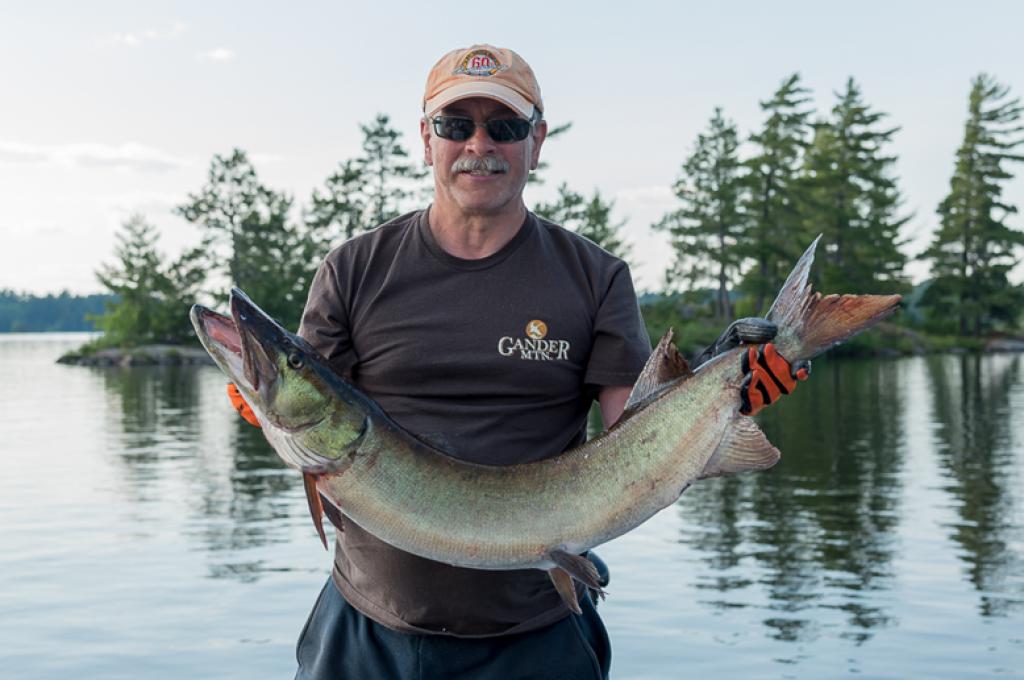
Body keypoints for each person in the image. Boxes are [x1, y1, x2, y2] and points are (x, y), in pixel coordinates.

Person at [227, 43, 807, 679]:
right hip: (367, 632)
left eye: (503, 126)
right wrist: (265, 398)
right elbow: (317, 403)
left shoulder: (594, 277)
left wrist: (719, 391)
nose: (480, 144)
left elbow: (633, 434)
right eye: (456, 125)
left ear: (537, 141)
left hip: (537, 640)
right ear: (426, 139)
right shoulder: (354, 269)